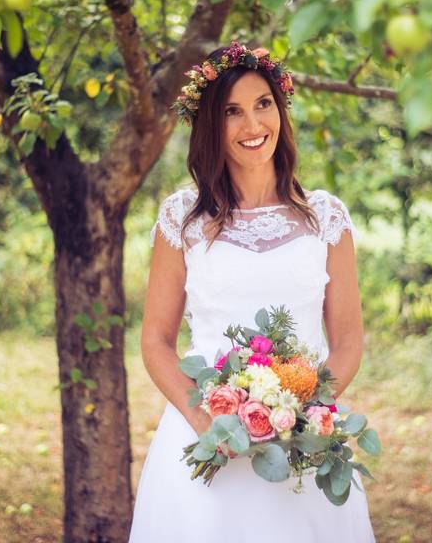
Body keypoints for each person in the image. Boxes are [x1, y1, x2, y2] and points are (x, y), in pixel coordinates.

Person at [128, 41, 375, 542]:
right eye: (232, 112)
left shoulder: (326, 218)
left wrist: (305, 410)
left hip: (304, 445)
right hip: (206, 445)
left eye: (263, 104)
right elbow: (155, 339)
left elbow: (348, 339)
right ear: (210, 126)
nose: (253, 125)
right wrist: (204, 421)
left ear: (279, 109)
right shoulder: (182, 220)